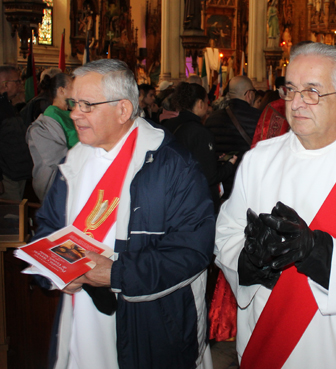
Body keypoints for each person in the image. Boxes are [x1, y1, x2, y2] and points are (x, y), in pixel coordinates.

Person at [215, 42, 336, 368]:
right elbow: (227, 231)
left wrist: (318, 253)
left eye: (311, 91)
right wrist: (247, 258)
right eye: (290, 89)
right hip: (266, 336)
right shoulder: (259, 160)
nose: (295, 103)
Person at [34, 59, 215, 369]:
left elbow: (192, 250)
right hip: (80, 325)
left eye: (87, 105)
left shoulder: (173, 166)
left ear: (122, 110)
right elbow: (48, 228)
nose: (75, 113)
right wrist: (54, 273)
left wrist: (116, 274)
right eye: (74, 103)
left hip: (149, 331)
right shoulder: (73, 161)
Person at [163, 82, 237, 213]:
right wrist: (230, 165)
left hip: (172, 197)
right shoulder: (201, 132)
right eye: (207, 102)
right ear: (200, 103)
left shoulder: (168, 125)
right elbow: (210, 176)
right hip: (196, 204)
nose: (208, 107)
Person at [205, 75, 260, 199]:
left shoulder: (212, 118)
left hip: (222, 183)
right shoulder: (259, 118)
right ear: (249, 94)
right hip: (248, 183)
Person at [26, 73, 77, 202]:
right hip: (61, 184)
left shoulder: (71, 114)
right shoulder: (50, 118)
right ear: (61, 90)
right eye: (73, 87)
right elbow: (57, 157)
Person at [0, 66, 32, 201]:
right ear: (5, 85)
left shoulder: (8, 104)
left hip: (19, 171)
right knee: (12, 216)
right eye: (17, 81)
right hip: (7, 175)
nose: (21, 84)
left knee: (20, 211)